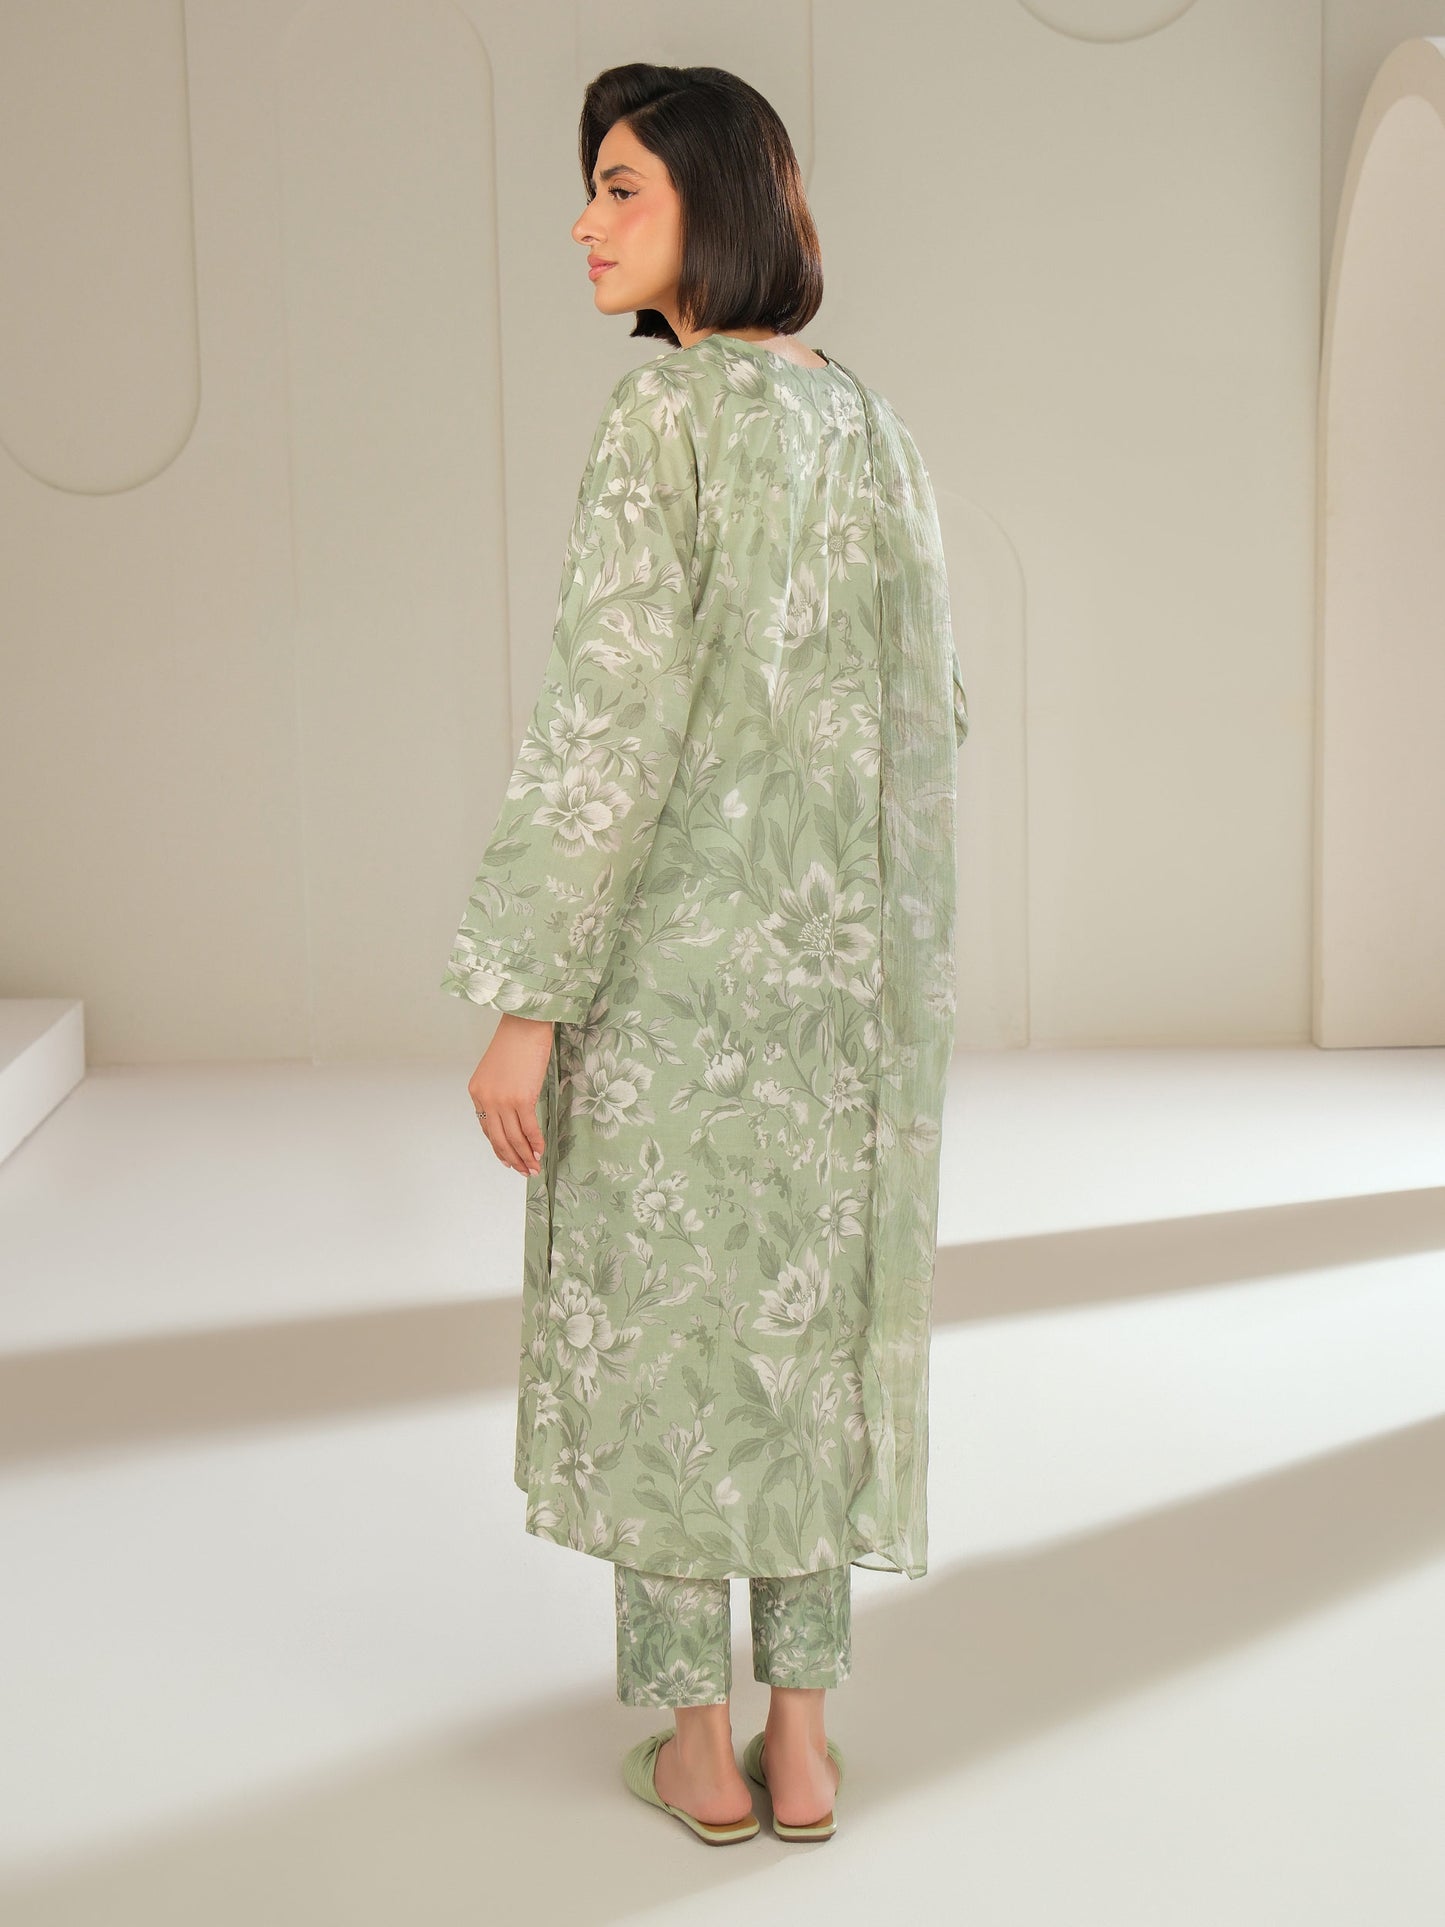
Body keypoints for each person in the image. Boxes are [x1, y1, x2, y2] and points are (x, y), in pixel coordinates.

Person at [441, 61, 968, 1843]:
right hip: (837, 986)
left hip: (670, 976)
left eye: (622, 189)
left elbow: (607, 721)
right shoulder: (866, 422)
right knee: (801, 1333)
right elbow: (933, 713)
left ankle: (696, 1746)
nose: (583, 226)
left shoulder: (658, 416)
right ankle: (802, 1739)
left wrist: (528, 1001)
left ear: (716, 202)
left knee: (674, 1342)